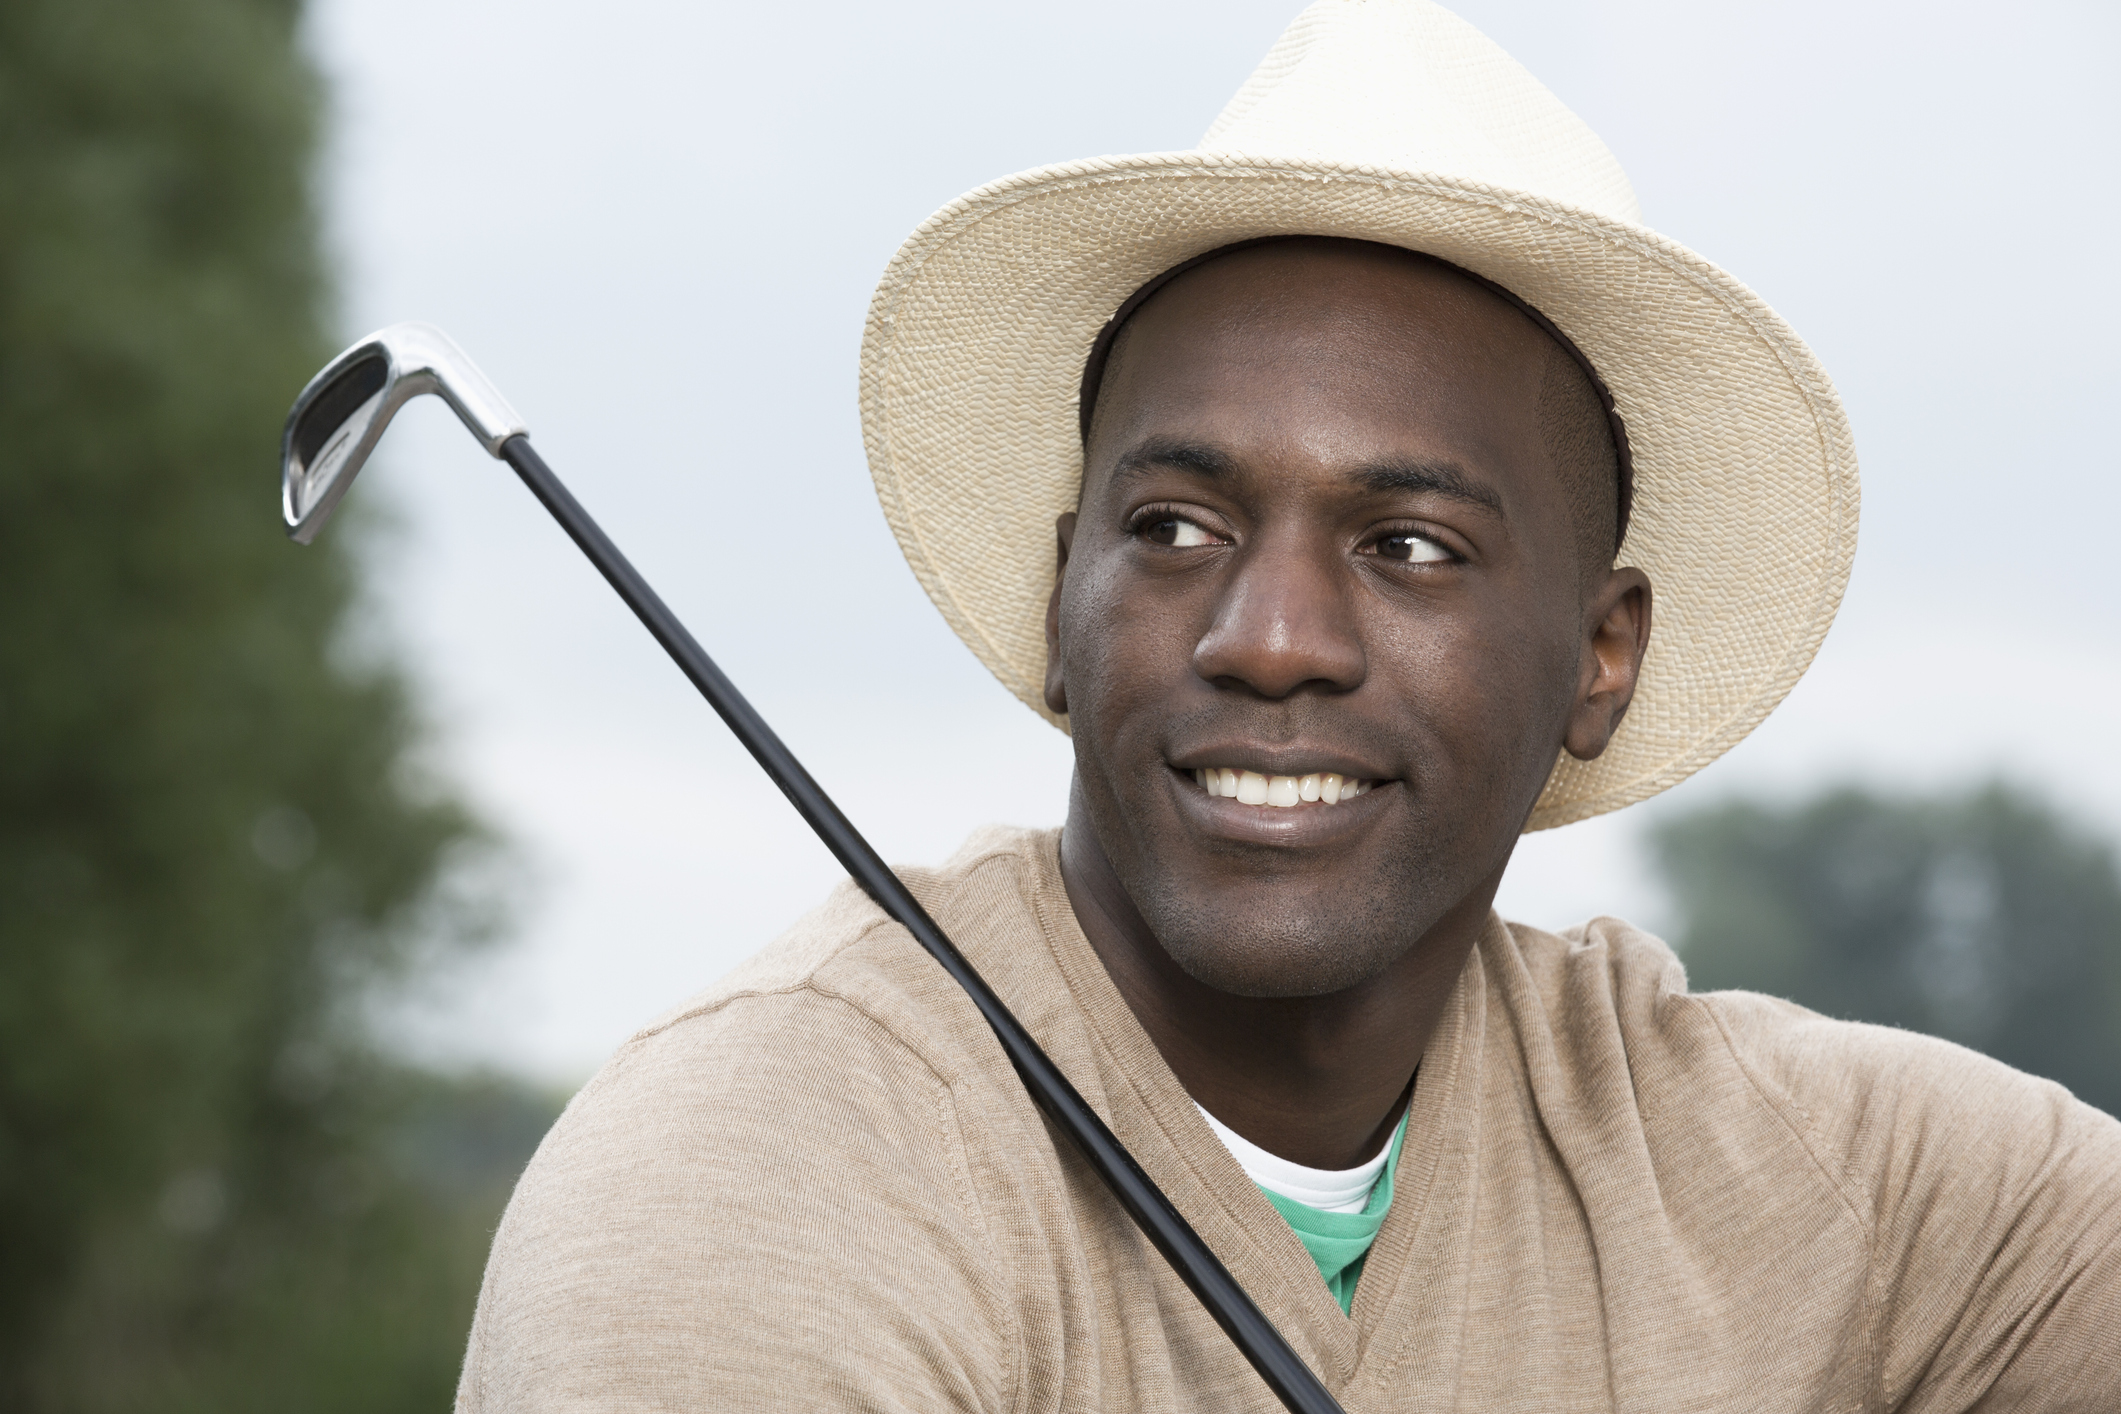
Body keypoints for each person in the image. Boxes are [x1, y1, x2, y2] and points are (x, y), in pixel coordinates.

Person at [456, 3, 2121, 1409]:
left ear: (1598, 655)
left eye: (1408, 546)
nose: (1266, 639)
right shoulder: (746, 1182)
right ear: (1061, 601)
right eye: (1174, 528)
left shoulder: (1848, 1185)